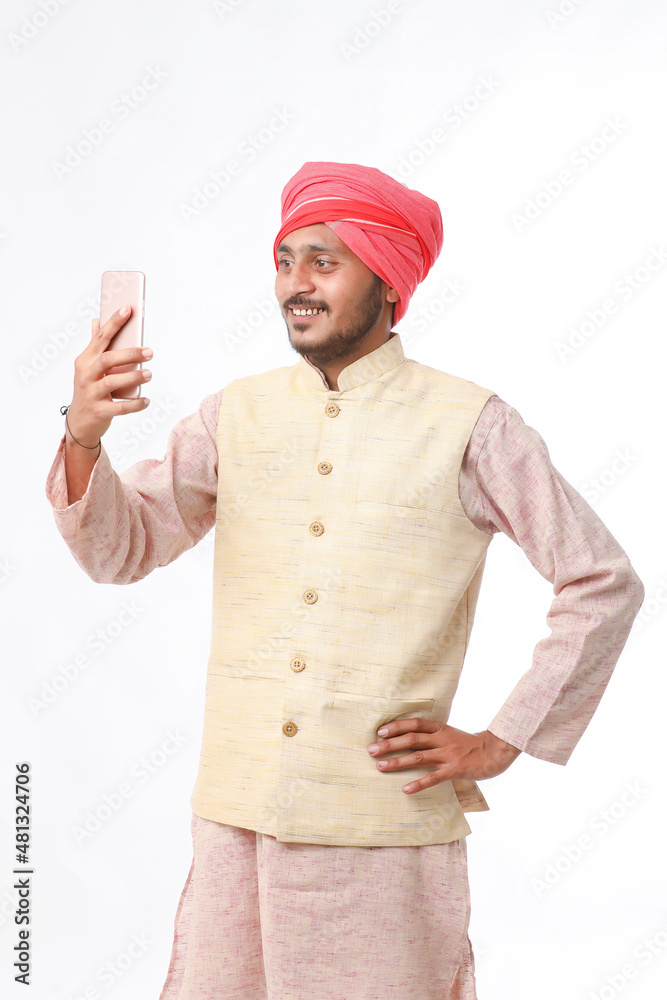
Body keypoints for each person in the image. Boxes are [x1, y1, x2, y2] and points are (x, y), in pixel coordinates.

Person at [45, 161, 645, 1000]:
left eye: (323, 262)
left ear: (388, 279)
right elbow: (121, 550)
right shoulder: (234, 414)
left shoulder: (470, 425)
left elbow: (600, 580)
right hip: (235, 826)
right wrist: (82, 435)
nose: (295, 284)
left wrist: (501, 739)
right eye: (285, 260)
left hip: (382, 834)